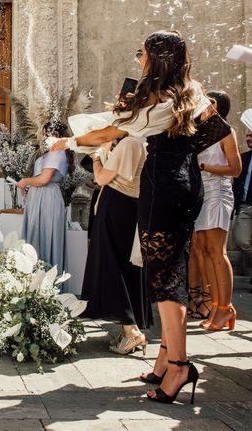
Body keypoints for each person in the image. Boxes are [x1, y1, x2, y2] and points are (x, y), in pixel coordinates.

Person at [51, 30, 212, 404]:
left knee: (165, 280)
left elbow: (107, 132)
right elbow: (207, 128)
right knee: (172, 270)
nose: (138, 59)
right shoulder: (191, 90)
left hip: (162, 187)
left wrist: (68, 142)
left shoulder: (151, 99)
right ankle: (162, 362)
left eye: (141, 53)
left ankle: (179, 365)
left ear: (155, 58)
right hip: (188, 183)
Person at [80, 136, 153, 354]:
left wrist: (96, 157)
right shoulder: (142, 142)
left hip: (117, 208)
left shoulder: (130, 143)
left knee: (111, 267)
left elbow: (102, 178)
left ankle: (131, 331)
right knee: (125, 267)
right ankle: (129, 327)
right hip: (127, 208)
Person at [188, 91, 241, 330]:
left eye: (206, 102)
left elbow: (236, 168)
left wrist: (204, 166)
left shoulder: (226, 131)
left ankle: (225, 307)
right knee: (205, 250)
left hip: (218, 192)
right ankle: (216, 305)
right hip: (201, 193)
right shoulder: (200, 131)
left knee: (218, 252)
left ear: (216, 106)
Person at [3, 122, 71, 274]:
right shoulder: (55, 152)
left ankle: (42, 283)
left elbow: (44, 179)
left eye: (48, 134)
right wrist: (30, 186)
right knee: (37, 235)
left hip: (46, 198)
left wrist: (27, 181)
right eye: (45, 133)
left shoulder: (56, 152)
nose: (45, 137)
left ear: (58, 136)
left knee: (44, 236)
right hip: (41, 196)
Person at [232, 129, 252, 278]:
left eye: (251, 135)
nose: (248, 138)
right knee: (241, 240)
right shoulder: (243, 158)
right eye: (247, 135)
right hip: (244, 206)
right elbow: (237, 182)